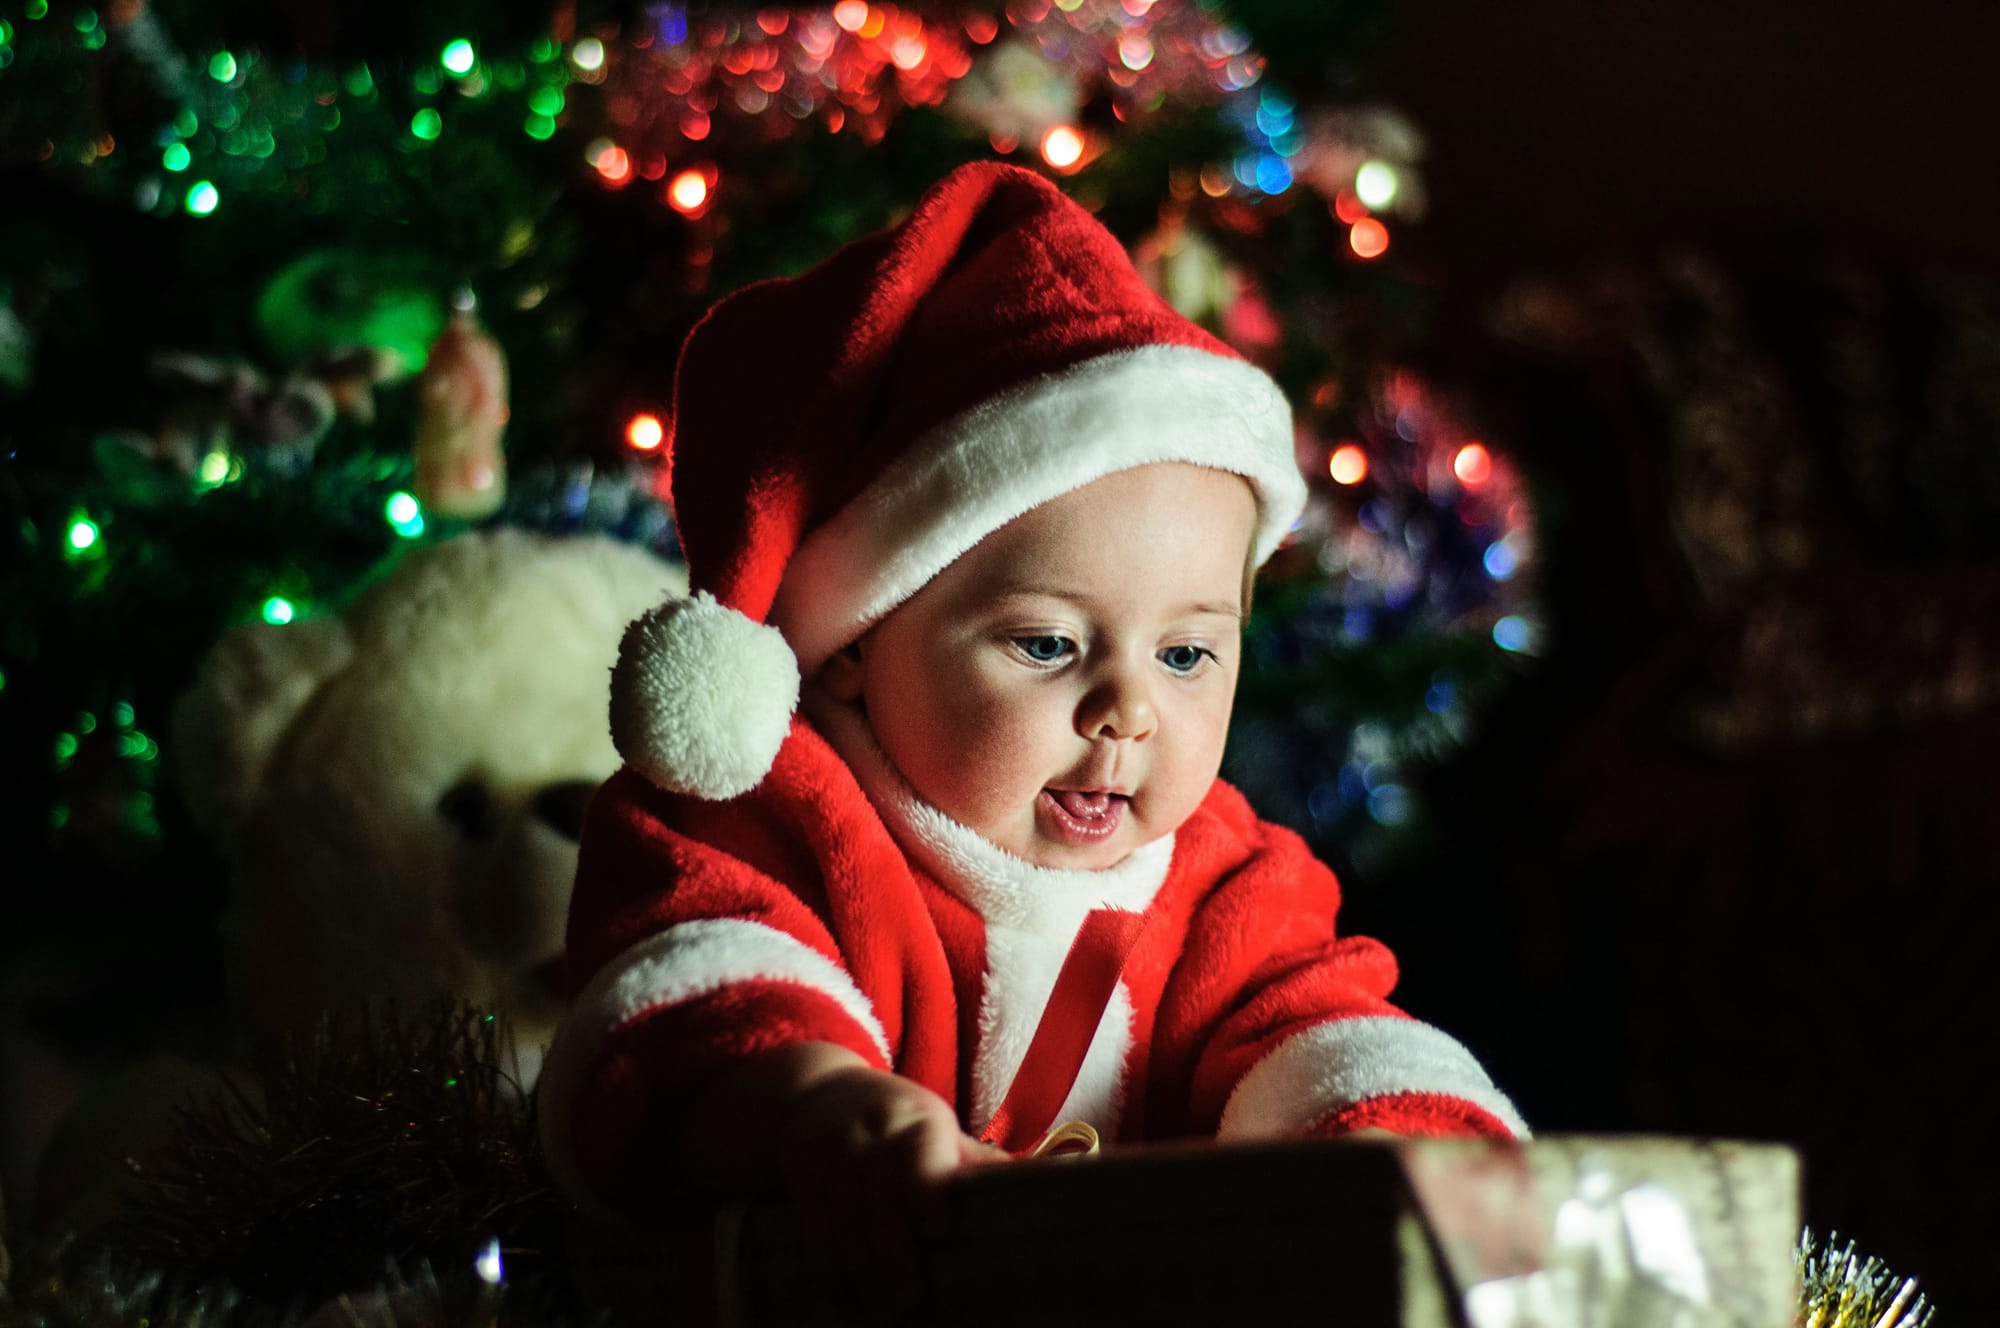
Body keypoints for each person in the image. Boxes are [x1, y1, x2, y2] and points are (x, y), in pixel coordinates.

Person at [537, 162, 1525, 1252]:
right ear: (860, 642)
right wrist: (813, 1105)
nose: (1125, 710)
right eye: (1047, 644)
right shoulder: (776, 817)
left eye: (1187, 653)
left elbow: (1317, 1027)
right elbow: (678, 1012)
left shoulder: (1225, 881)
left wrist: (1405, 1139)